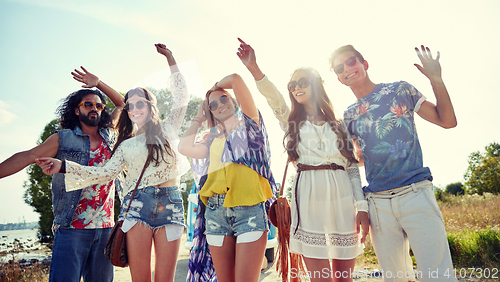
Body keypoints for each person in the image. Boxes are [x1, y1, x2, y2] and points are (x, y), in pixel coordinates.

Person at [37, 43, 190, 282]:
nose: (134, 109)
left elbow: (182, 96)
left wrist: (170, 58)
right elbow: (103, 173)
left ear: (151, 106)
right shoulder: (125, 145)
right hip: (137, 207)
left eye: (140, 103)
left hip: (170, 205)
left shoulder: (168, 129)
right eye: (129, 106)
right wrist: (63, 166)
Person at [239, 39, 369, 282]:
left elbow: (351, 168)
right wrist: (254, 68)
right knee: (321, 279)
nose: (296, 87)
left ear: (317, 85)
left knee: (344, 279)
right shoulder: (291, 122)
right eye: (292, 84)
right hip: (308, 197)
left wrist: (361, 207)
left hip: (342, 199)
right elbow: (274, 99)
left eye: (302, 82)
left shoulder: (340, 124)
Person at [330, 45, 457, 282]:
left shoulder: (400, 90)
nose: (347, 69)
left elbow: (448, 121)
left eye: (351, 62)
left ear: (364, 63)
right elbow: (360, 158)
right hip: (378, 205)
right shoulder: (348, 116)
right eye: (340, 68)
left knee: (438, 277)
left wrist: (436, 80)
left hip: (416, 193)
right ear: (338, 79)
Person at [0, 66, 124, 282]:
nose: (94, 108)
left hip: (105, 229)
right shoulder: (63, 138)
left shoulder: (110, 135)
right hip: (71, 228)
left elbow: (122, 103)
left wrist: (98, 83)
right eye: (88, 104)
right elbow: (27, 156)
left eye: (98, 105)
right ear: (77, 110)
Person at [178, 64, 277, 282]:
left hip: (249, 209)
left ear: (234, 101)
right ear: (210, 112)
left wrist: (212, 89)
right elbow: (184, 148)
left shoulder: (251, 126)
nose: (220, 105)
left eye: (224, 99)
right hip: (215, 212)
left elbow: (235, 78)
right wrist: (198, 118)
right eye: (213, 105)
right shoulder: (211, 139)